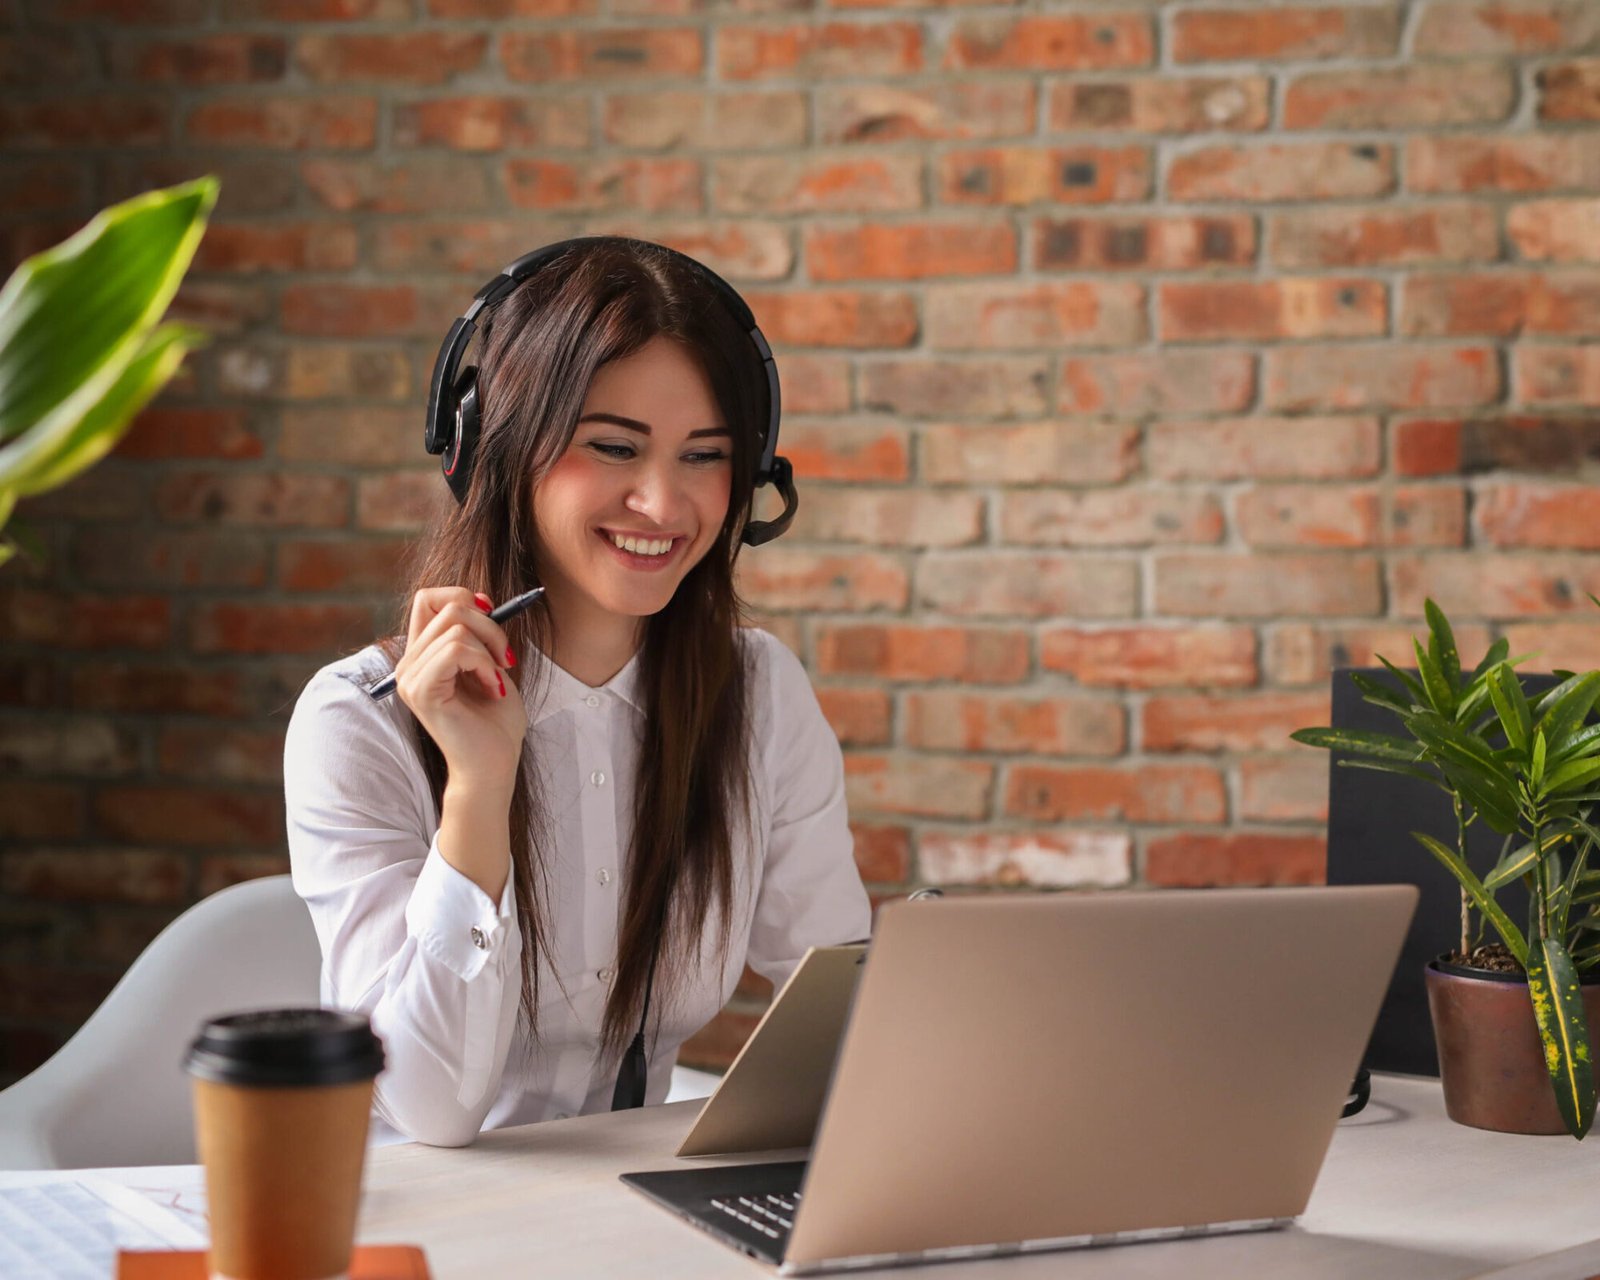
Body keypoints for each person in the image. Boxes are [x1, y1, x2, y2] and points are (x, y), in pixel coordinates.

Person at [283, 237, 872, 1148]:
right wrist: (479, 789)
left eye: (704, 456)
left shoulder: (757, 695)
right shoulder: (357, 722)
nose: (664, 504)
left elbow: (845, 1010)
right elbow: (430, 1111)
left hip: (627, 1215)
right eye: (613, 447)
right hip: (410, 1218)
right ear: (493, 447)